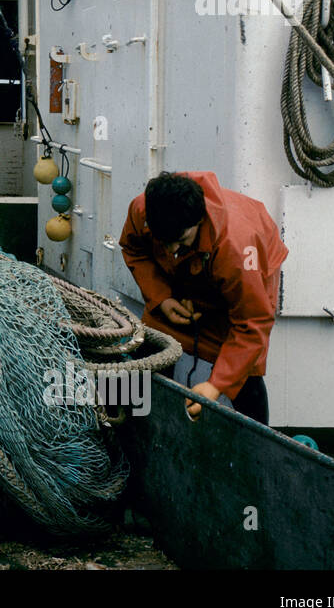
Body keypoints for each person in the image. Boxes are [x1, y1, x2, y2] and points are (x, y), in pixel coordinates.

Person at [119, 171, 288, 424]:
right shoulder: (143, 209)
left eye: (180, 241)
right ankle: (127, 425)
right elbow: (134, 249)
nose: (171, 250)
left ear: (199, 221)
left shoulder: (237, 247)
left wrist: (215, 386)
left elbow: (252, 323)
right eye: (163, 242)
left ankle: (257, 449)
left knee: (246, 369)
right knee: (150, 340)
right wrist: (162, 298)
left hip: (246, 275)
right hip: (193, 268)